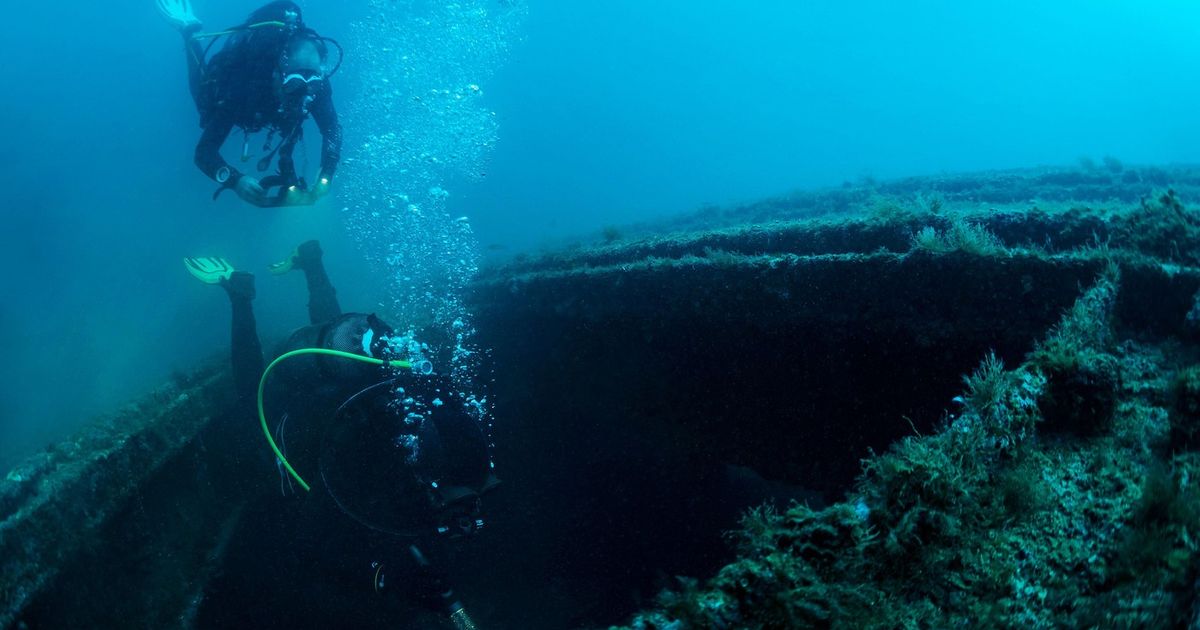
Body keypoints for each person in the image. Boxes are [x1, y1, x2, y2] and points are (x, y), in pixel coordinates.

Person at [185, 241, 497, 629]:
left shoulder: (430, 427)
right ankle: (240, 296)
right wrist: (385, 580)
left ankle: (312, 265)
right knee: (253, 398)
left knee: (343, 346)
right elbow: (318, 540)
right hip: (305, 425)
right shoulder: (367, 470)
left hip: (355, 396)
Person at [158, 0, 343, 207]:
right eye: (294, 83)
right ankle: (189, 31)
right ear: (278, 72)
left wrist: (327, 172)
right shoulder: (243, 87)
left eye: (314, 82)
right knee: (205, 105)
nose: (304, 94)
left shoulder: (316, 88)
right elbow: (204, 153)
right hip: (242, 100)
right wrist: (235, 180)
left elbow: (332, 130)